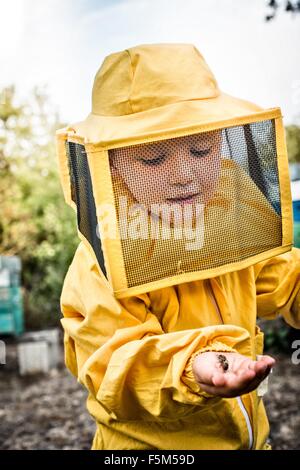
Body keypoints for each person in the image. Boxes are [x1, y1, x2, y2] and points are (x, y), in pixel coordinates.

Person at [57, 43, 300, 450]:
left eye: (202, 150)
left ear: (221, 143)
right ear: (111, 163)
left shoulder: (231, 218)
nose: (184, 174)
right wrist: (193, 365)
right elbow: (113, 365)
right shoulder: (102, 264)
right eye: (153, 159)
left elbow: (284, 277)